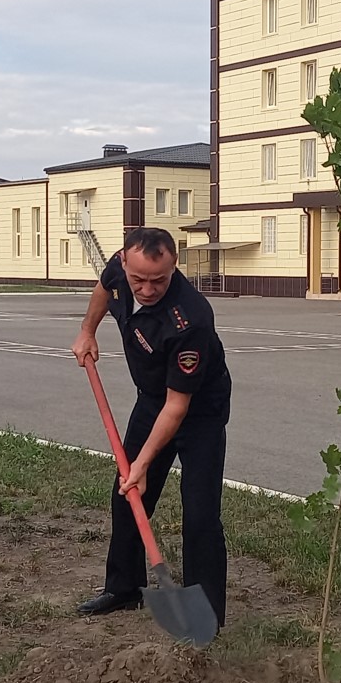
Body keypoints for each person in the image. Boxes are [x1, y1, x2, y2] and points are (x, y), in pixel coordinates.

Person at [71, 227, 232, 628]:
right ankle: (124, 588)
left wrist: (141, 464)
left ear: (174, 266)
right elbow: (104, 288)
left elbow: (177, 408)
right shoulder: (119, 268)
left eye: (158, 280)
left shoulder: (190, 319)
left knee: (200, 515)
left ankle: (206, 616)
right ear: (124, 261)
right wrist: (88, 331)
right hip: (152, 399)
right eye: (138, 279)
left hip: (198, 411)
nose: (146, 289)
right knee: (127, 495)